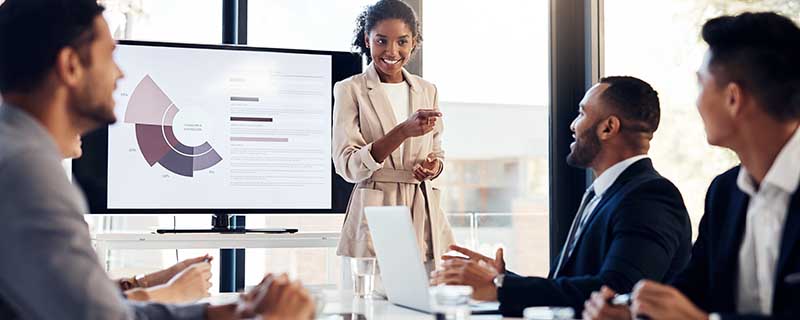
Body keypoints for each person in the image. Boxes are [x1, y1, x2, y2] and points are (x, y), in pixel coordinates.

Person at [0, 0, 314, 319]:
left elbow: (91, 306)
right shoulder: (27, 173)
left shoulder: (16, 152)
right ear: (70, 66)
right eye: (110, 55)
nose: (120, 73)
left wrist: (223, 313)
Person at [583, 12, 800, 320]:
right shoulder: (724, 193)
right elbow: (691, 292)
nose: (696, 102)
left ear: (733, 98)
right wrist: (634, 311)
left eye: (700, 84)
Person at [431, 76, 693, 317]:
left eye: (582, 113)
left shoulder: (650, 197)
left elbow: (614, 293)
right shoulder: (605, 194)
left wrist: (500, 286)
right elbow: (575, 283)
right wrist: (500, 278)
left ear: (608, 127)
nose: (572, 125)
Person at [332, 0, 455, 273]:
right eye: (381, 41)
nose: (392, 51)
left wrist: (433, 166)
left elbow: (437, 149)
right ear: (367, 40)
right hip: (377, 210)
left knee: (425, 302)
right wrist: (402, 131)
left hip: (423, 208)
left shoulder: (427, 90)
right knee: (373, 304)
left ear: (414, 42)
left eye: (402, 41)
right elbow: (347, 165)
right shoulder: (350, 90)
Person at [65, 136, 214, 304]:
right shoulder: (41, 193)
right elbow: (83, 308)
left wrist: (151, 281)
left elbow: (71, 290)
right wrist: (174, 293)